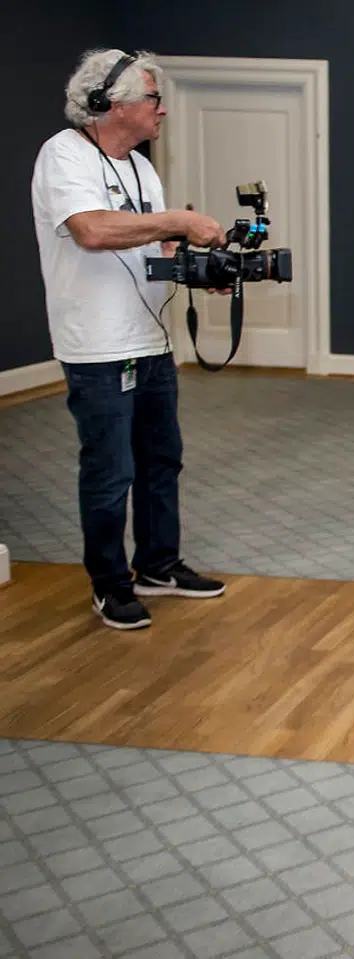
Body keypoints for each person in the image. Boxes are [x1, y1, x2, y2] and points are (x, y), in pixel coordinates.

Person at [30, 49, 230, 630]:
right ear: (107, 104)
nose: (161, 110)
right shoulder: (63, 155)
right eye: (153, 98)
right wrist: (178, 221)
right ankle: (110, 585)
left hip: (150, 337)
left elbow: (149, 251)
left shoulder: (142, 167)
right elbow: (90, 230)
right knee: (109, 469)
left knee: (160, 459)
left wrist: (192, 266)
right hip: (95, 346)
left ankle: (159, 566)